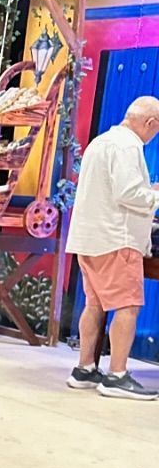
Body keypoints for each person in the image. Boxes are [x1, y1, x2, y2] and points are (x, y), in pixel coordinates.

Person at [66, 94, 159, 400]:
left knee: (95, 304)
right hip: (117, 239)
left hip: (90, 238)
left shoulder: (101, 141)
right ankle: (117, 375)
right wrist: (155, 196)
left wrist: (149, 190)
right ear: (150, 122)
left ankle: (84, 369)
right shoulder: (128, 146)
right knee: (128, 306)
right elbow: (128, 193)